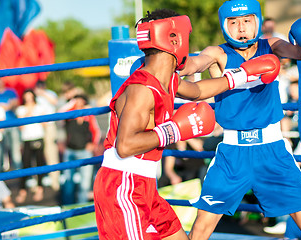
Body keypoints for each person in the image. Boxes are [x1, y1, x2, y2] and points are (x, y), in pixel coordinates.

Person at [93, 8, 280, 240]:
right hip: (123, 188)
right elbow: (125, 145)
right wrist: (176, 130)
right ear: (174, 38)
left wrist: (242, 75)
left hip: (145, 186)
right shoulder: (142, 89)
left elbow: (199, 90)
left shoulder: (168, 79)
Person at [179, 0, 301, 239]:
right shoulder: (218, 53)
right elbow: (196, 62)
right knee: (201, 227)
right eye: (234, 22)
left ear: (256, 21)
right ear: (225, 26)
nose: (241, 28)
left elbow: (300, 52)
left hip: (273, 150)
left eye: (247, 21)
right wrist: (178, 63)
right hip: (232, 154)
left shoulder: (271, 45)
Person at [59, 93, 101, 204]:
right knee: (68, 182)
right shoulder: (69, 114)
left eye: (81, 100)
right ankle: (68, 207)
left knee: (85, 183)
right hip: (70, 150)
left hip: (84, 152)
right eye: (76, 100)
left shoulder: (89, 116)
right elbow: (59, 113)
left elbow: (96, 131)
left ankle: (82, 207)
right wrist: (71, 103)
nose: (78, 102)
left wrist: (93, 144)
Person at [15, 89, 47, 203]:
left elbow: (45, 125)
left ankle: (40, 189)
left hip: (38, 137)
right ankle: (22, 191)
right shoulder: (21, 109)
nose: (28, 99)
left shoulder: (40, 107)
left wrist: (36, 114)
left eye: (30, 97)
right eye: (26, 97)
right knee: (26, 164)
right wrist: (28, 113)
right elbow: (21, 127)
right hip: (27, 139)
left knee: (39, 164)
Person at [0, 77, 22, 171]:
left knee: (15, 149)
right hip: (0, 127)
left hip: (12, 124)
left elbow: (16, 103)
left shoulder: (11, 92)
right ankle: (2, 176)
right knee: (0, 151)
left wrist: (8, 106)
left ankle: (19, 171)